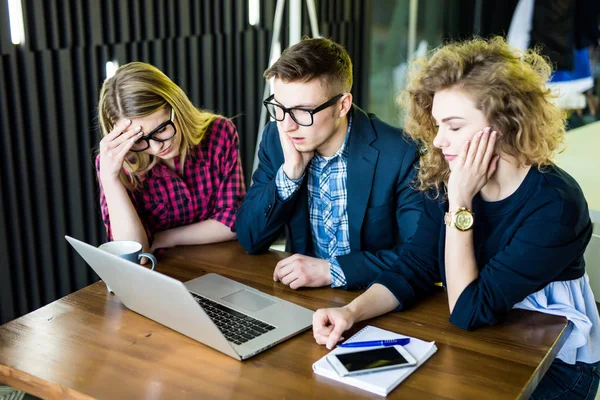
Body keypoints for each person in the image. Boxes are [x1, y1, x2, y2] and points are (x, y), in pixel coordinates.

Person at [312, 37, 600, 399]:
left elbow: (468, 310)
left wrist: (460, 201)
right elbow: (414, 266)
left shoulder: (556, 204)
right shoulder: (448, 173)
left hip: (555, 366)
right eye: (438, 125)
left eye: (455, 126)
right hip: (485, 343)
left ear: (506, 123)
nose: (437, 141)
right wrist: (352, 313)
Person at [235, 38, 423, 290]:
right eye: (280, 107)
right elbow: (249, 238)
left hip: (374, 297)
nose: (288, 125)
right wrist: (289, 175)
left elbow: (420, 254)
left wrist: (333, 270)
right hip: (301, 296)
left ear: (342, 105)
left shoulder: (399, 153)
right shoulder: (276, 138)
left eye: (303, 111)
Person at [96, 62, 245, 254]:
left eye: (162, 129)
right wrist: (110, 179)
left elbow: (232, 222)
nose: (157, 146)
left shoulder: (219, 133)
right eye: (140, 140)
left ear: (177, 108)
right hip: (158, 273)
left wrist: (166, 238)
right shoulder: (117, 162)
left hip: (222, 263)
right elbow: (135, 255)